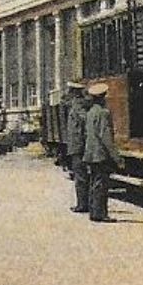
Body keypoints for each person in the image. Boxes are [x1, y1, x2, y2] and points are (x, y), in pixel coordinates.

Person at [81, 83, 120, 223]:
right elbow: (106, 136)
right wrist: (116, 157)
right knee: (101, 184)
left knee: (94, 183)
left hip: (90, 153)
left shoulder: (90, 113)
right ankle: (100, 214)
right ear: (102, 97)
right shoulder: (104, 113)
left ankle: (94, 212)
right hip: (100, 154)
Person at [63, 82, 89, 214]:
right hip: (77, 145)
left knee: (80, 177)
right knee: (80, 176)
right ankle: (82, 203)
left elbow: (85, 123)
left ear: (74, 92)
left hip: (79, 146)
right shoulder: (76, 105)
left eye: (70, 91)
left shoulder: (78, 106)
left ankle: (82, 204)